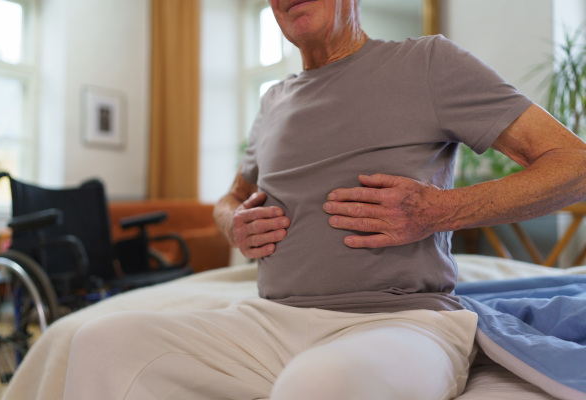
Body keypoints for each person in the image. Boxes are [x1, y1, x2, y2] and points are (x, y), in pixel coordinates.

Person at [63, 1, 586, 399]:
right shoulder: (274, 100)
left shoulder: (430, 63)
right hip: (268, 322)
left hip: (399, 320)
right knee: (99, 341)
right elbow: (231, 197)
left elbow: (575, 165)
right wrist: (231, 224)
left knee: (324, 382)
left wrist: (441, 210)